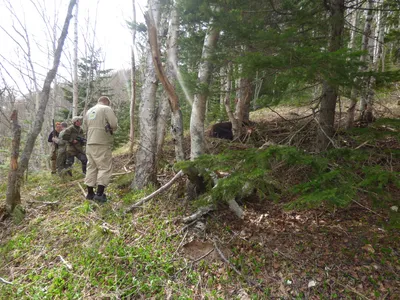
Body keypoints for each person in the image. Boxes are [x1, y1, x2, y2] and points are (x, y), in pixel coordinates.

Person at [84, 96, 118, 202]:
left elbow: (85, 127)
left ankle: (90, 193)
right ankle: (99, 194)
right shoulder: (106, 109)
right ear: (107, 102)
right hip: (102, 142)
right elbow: (114, 124)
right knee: (104, 167)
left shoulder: (89, 111)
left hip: (90, 142)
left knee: (91, 166)